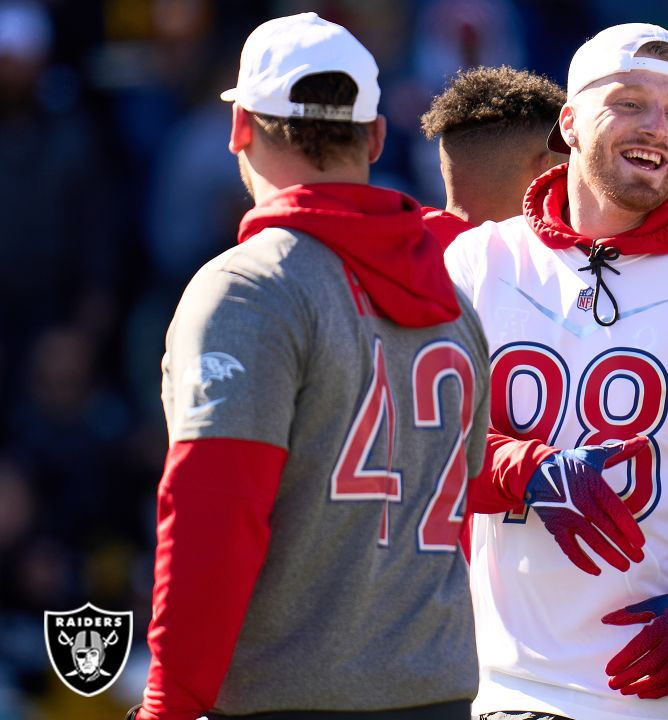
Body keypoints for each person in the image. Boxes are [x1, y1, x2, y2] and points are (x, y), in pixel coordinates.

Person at [128, 13, 489, 720]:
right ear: (377, 136)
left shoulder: (251, 289)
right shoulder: (454, 299)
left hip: (288, 701)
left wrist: (170, 701)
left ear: (239, 131)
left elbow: (213, 513)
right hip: (440, 696)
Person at [444, 22, 668, 720]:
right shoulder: (478, 262)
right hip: (506, 691)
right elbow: (418, 452)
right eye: (631, 102)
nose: (657, 128)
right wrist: (524, 468)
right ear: (571, 122)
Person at [420, 65, 566, 242]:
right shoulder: (532, 263)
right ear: (546, 172)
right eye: (567, 169)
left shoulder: (396, 245)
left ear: (444, 169)